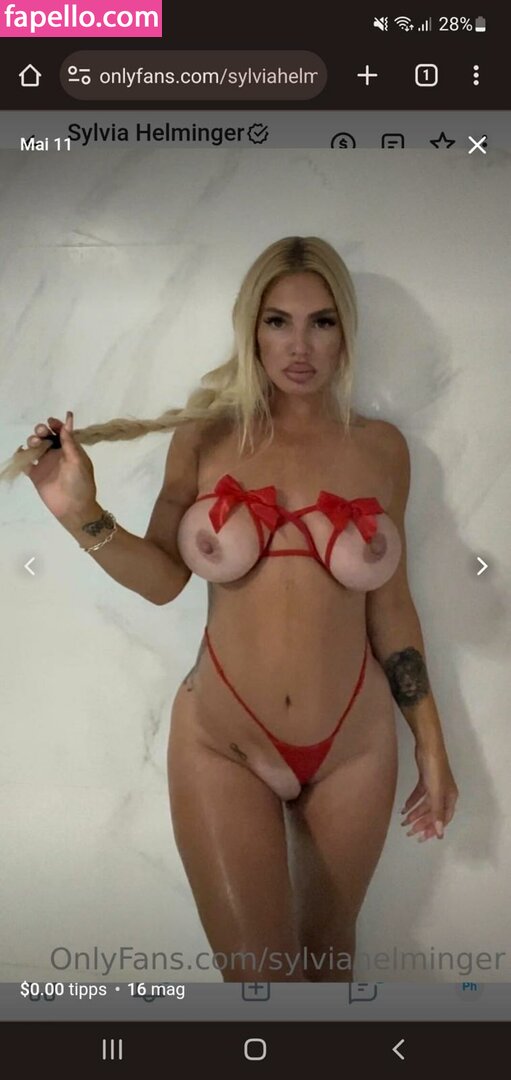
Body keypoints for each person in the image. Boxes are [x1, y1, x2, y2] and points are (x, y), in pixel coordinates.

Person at [5, 236, 458, 982]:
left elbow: (392, 608)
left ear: (345, 330)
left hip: (355, 747)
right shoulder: (207, 436)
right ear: (251, 329)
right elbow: (163, 581)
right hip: (223, 741)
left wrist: (433, 745)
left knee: (327, 975)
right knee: (260, 986)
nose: (299, 346)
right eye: (278, 322)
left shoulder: (382, 450)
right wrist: (78, 513)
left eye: (320, 322)